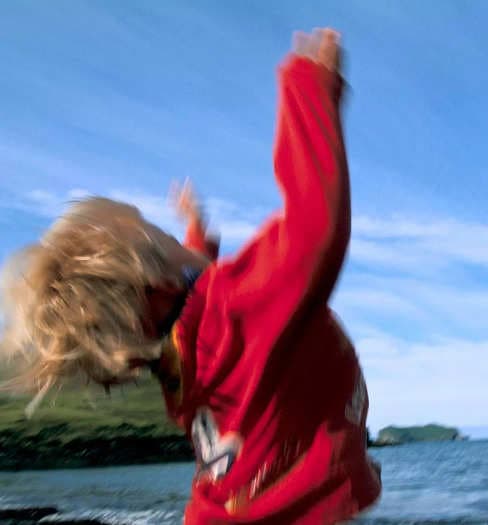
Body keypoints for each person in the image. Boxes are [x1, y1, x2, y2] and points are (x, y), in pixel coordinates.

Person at [0, 27, 381, 524]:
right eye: (158, 237)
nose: (176, 244)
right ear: (156, 282)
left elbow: (193, 298)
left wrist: (196, 232)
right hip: (304, 509)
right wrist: (310, 87)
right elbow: (315, 228)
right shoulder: (237, 303)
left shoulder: (173, 358)